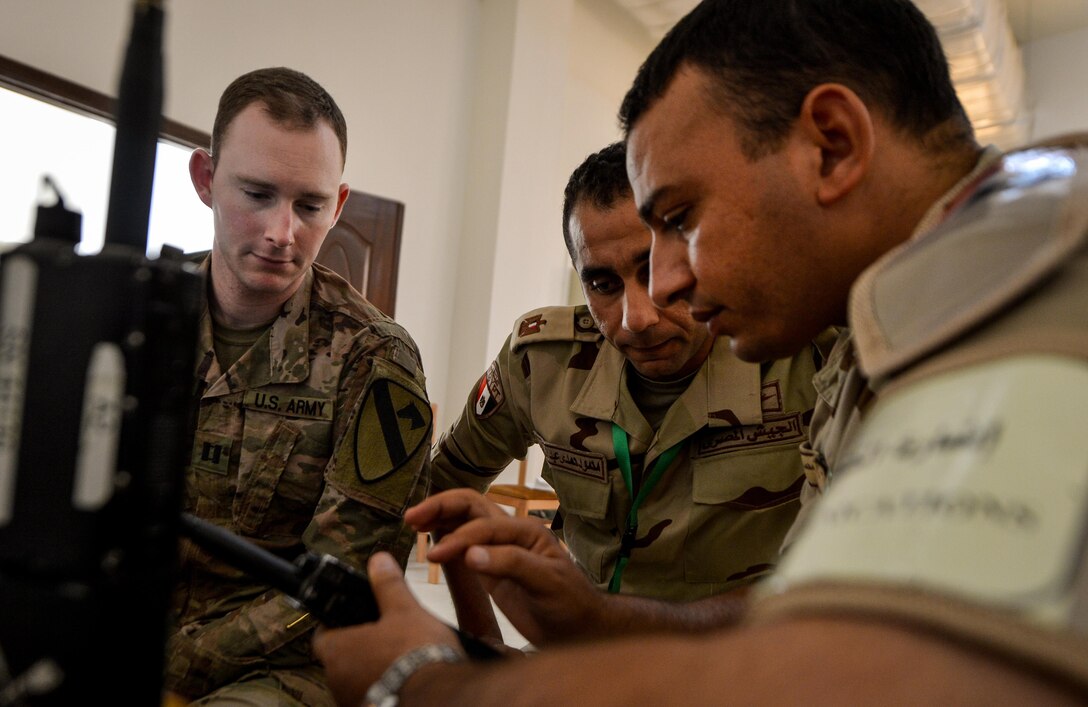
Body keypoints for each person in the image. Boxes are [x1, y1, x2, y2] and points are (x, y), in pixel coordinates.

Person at [312, 0, 1088, 704]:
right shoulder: (893, 326)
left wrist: (427, 683)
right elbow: (809, 630)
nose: (668, 285)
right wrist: (579, 626)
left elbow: (856, 680)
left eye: (681, 219)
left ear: (832, 146)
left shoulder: (1035, 268)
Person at [428, 141, 824, 645]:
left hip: (741, 667)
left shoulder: (804, 362)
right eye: (602, 283)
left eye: (655, 271)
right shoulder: (542, 363)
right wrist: (481, 641)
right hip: (587, 662)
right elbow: (444, 489)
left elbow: (853, 577)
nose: (636, 318)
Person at [168, 67, 431, 705]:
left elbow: (335, 584)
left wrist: (177, 663)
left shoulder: (375, 360)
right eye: (257, 194)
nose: (283, 233)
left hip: (283, 656)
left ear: (338, 205)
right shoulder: (131, 312)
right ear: (205, 180)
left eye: (309, 206)